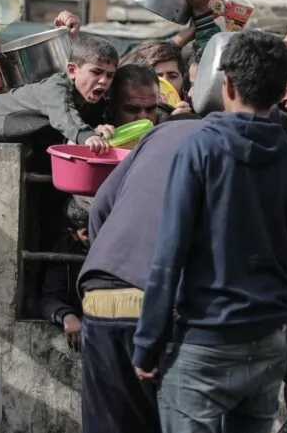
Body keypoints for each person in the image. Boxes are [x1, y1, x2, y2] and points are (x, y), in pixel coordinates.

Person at [132, 30, 287, 433]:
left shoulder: (199, 150)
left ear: (228, 86)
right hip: (268, 345)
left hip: (205, 341)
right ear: (281, 93)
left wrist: (147, 345)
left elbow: (168, 256)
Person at [79, 111, 207, 433]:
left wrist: (114, 263)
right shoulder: (235, 147)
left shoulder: (157, 135)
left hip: (101, 291)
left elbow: (99, 207)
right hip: (168, 306)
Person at [0, 35, 118, 153]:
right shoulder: (56, 88)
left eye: (110, 75)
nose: (103, 81)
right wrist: (87, 136)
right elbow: (64, 116)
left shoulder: (88, 101)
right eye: (96, 72)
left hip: (18, 145)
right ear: (72, 70)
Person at [41, 196, 89, 351]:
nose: (96, 234)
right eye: (87, 232)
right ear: (72, 233)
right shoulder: (64, 253)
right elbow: (49, 298)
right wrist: (67, 316)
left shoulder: (115, 251)